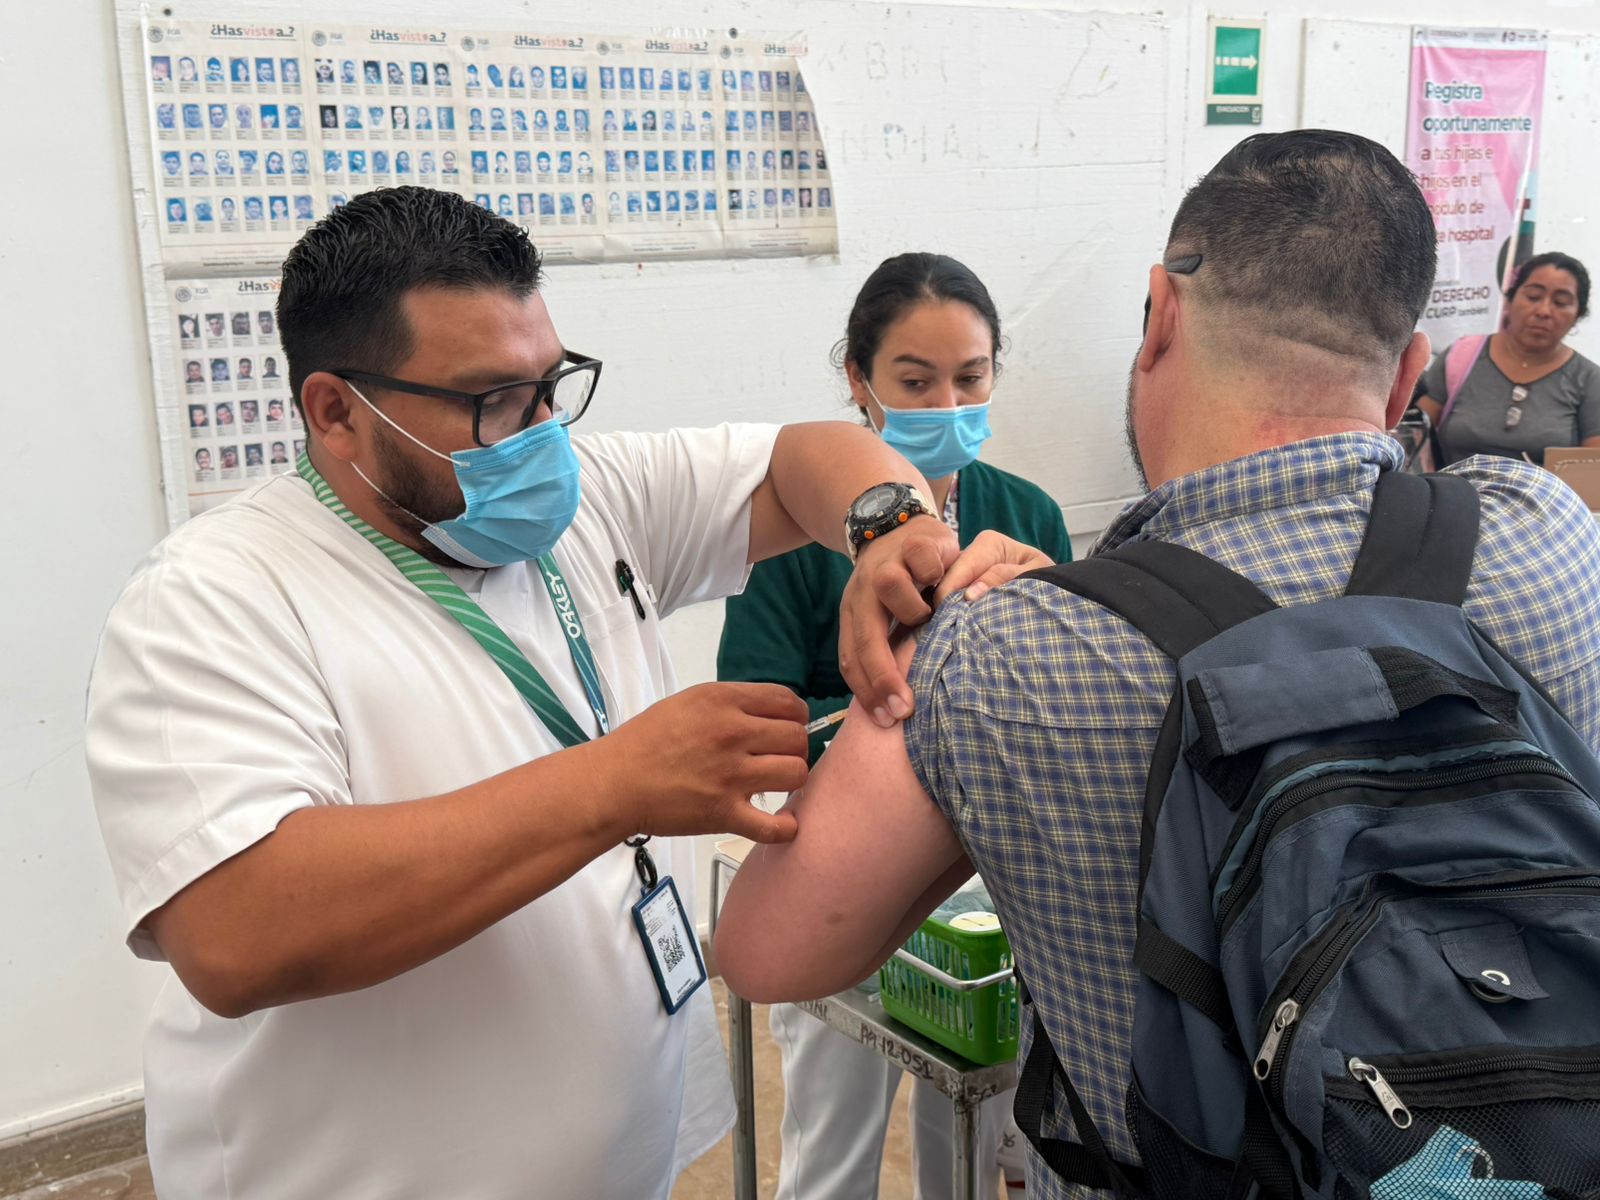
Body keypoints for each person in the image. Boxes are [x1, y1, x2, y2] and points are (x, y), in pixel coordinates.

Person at [714, 130, 1600, 1196]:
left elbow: (766, 951)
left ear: (1160, 315)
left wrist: (948, 678)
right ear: (1413, 367)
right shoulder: (1551, 533)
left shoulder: (1007, 651)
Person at [85, 185, 974, 1200]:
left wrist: (889, 522)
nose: (541, 431)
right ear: (337, 411)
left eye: (551, 384)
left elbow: (794, 458)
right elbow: (235, 931)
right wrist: (613, 788)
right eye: (492, 401)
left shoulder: (592, 499)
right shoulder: (214, 600)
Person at [719, 253, 1068, 1200]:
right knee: (834, 1139)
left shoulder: (1024, 516)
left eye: (971, 376)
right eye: (915, 381)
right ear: (858, 381)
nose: (947, 401)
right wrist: (870, 727)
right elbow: (750, 717)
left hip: (985, 894)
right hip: (836, 862)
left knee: (973, 1125)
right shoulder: (794, 537)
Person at [1415, 252, 1599, 466]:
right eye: (1533, 297)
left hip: (1543, 499)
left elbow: (1592, 474)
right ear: (1509, 300)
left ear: (1578, 315)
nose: (1543, 311)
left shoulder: (1589, 380)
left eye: (1560, 302)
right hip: (1454, 496)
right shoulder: (1461, 357)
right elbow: (1415, 434)